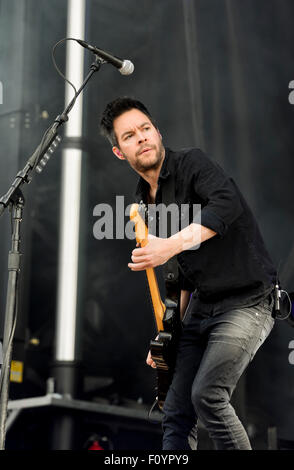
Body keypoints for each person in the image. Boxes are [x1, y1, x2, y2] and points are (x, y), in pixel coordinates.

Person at [100, 97, 277, 450]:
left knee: (208, 395)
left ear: (158, 131)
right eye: (130, 135)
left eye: (146, 128)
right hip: (202, 307)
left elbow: (226, 205)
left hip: (247, 301)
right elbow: (181, 277)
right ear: (120, 152)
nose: (142, 137)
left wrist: (170, 245)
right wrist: (169, 335)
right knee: (176, 412)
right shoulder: (144, 202)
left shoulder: (192, 164)